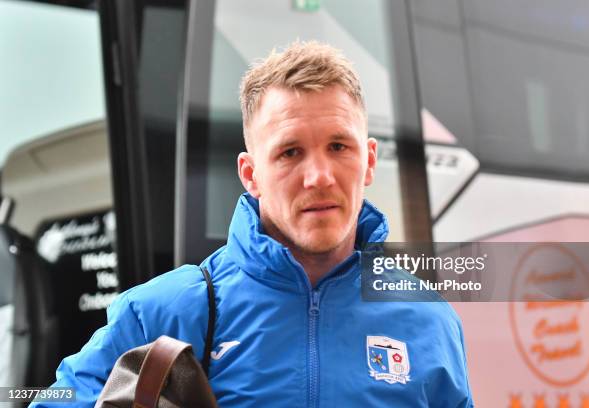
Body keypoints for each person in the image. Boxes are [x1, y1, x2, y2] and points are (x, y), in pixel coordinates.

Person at [32, 41, 473, 407]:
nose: (319, 176)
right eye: (290, 152)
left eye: (339, 146)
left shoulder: (429, 320)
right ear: (250, 174)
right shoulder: (164, 310)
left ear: (369, 161)